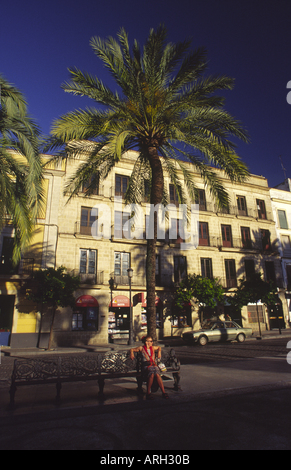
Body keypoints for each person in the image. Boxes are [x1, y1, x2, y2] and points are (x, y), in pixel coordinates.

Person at [130, 336, 169, 400]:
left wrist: (159, 352)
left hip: (153, 365)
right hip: (146, 366)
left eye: (151, 341)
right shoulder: (141, 348)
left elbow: (159, 347)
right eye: (150, 341)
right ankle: (148, 393)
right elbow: (132, 349)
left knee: (157, 374)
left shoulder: (153, 348)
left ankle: (163, 392)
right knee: (152, 374)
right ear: (146, 342)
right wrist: (131, 353)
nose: (152, 342)